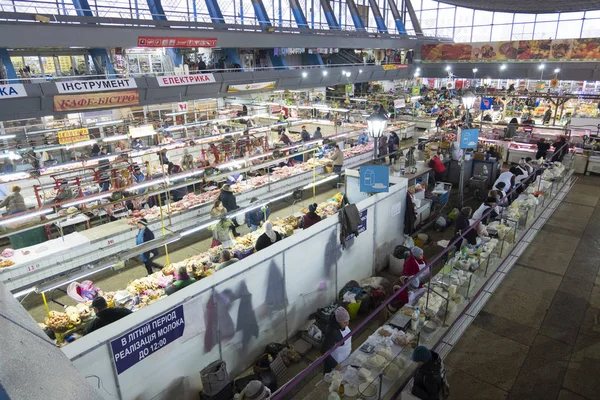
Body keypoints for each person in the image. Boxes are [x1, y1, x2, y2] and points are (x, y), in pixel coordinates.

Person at [321, 306, 351, 374]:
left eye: (348, 320)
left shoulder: (341, 324)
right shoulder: (332, 333)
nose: (348, 324)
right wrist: (335, 365)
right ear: (339, 322)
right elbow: (324, 352)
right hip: (336, 360)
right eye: (345, 322)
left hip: (344, 357)